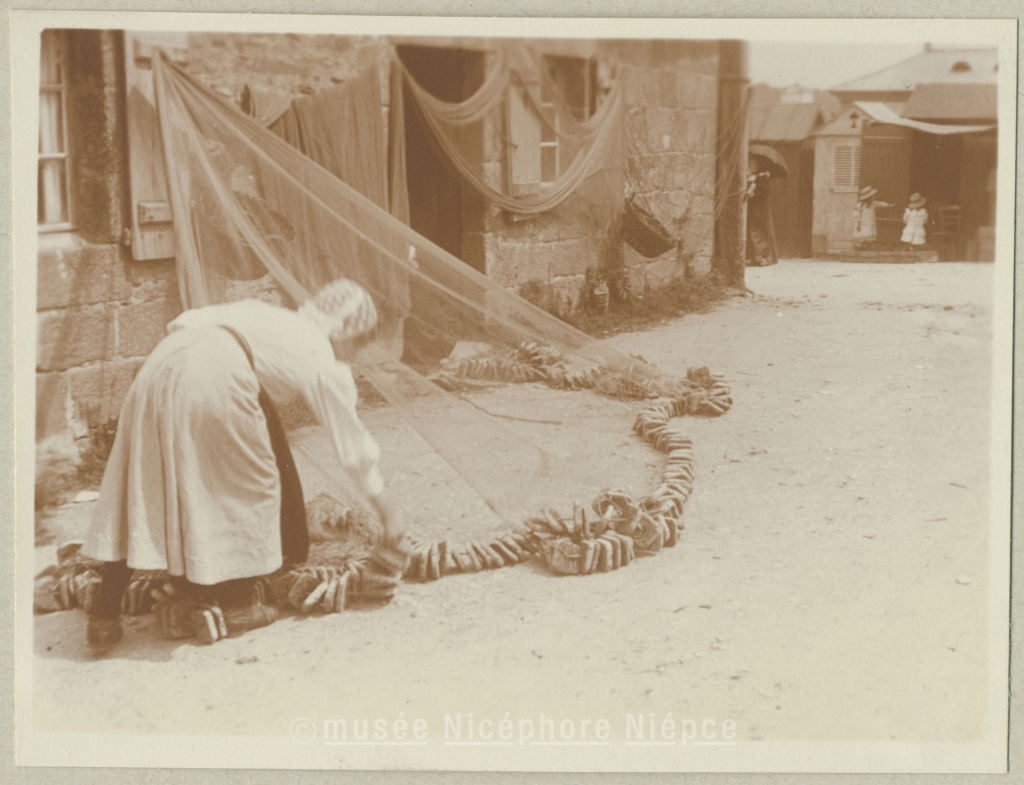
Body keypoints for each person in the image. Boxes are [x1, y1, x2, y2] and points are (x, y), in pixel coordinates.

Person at [82, 278, 400, 651]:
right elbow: (353, 446)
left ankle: (104, 614)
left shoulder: (268, 316)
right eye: (359, 344)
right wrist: (389, 514)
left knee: (142, 480)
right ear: (344, 331)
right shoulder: (319, 356)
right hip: (218, 369)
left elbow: (182, 323)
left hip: (161, 362)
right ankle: (236, 604)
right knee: (252, 485)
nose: (356, 355)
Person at [744, 156, 779, 267]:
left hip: (758, 207)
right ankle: (753, 257)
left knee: (756, 230)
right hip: (749, 207)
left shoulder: (762, 177)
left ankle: (762, 257)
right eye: (750, 164)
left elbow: (765, 193)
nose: (752, 166)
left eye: (754, 164)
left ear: (758, 165)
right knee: (749, 230)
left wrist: (753, 195)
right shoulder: (747, 177)